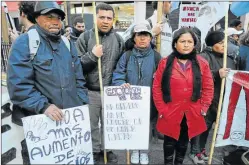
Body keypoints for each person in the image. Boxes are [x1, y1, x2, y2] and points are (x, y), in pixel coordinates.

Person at [7, 1, 88, 163]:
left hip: (68, 125)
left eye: (58, 18)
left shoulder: (67, 43)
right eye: (49, 17)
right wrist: (43, 106)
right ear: (37, 18)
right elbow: (18, 86)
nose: (55, 22)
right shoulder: (24, 43)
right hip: (40, 126)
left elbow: (78, 78)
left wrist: (80, 101)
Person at [152, 27, 214, 165]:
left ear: (194, 44)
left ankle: (179, 162)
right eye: (182, 41)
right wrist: (162, 109)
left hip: (192, 110)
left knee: (184, 140)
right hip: (170, 109)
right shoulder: (165, 62)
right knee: (169, 140)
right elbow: (156, 88)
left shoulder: (202, 63)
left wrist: (203, 108)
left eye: (189, 41)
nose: (186, 45)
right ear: (175, 43)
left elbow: (208, 88)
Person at [76, 3, 124, 164]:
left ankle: (107, 149)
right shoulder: (85, 37)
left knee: (109, 123)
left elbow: (121, 65)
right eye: (101, 17)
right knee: (92, 124)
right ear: (95, 18)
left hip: (111, 91)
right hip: (91, 90)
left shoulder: (118, 39)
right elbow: (76, 66)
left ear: (113, 20)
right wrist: (92, 55)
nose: (105, 21)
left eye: (109, 18)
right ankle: (95, 150)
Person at [112, 22, 161, 165]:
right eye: (139, 35)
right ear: (134, 38)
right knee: (132, 125)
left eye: (145, 35)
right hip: (130, 102)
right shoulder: (126, 56)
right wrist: (121, 83)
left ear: (150, 38)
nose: (142, 38)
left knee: (146, 127)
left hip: (150, 101)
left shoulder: (157, 57)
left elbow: (163, 78)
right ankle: (134, 150)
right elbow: (118, 73)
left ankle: (144, 152)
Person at [189, 31, 236, 164]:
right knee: (200, 126)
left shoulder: (229, 59)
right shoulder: (202, 57)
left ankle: (202, 149)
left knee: (207, 129)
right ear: (211, 44)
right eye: (220, 43)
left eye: (225, 42)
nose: (224, 45)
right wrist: (216, 73)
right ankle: (194, 151)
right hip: (204, 99)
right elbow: (196, 76)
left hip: (220, 100)